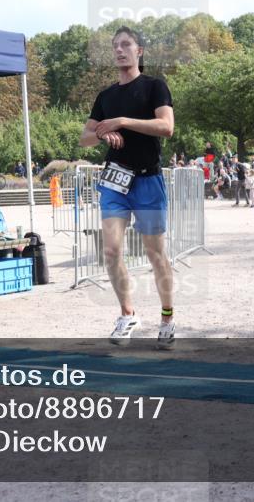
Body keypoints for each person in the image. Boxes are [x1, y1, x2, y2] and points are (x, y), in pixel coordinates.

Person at [79, 25, 176, 349]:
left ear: (140, 51)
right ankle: (127, 313)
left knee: (155, 253)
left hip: (148, 179)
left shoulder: (153, 87)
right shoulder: (105, 96)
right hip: (115, 181)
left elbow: (166, 127)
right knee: (111, 250)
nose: (120, 50)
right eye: (115, 46)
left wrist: (122, 122)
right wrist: (104, 134)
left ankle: (167, 316)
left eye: (126, 45)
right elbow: (85, 138)